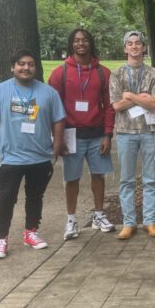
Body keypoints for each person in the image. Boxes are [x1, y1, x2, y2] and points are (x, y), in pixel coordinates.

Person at [0, 49, 65, 259]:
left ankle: (31, 232)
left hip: (40, 157)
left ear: (35, 68)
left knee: (35, 197)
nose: (26, 68)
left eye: (30, 64)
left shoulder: (48, 93)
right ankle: (1, 239)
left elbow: (59, 121)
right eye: (21, 64)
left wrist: (56, 148)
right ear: (13, 67)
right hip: (10, 158)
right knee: (6, 197)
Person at [48, 27, 115, 240]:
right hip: (71, 134)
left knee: (99, 175)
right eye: (76, 40)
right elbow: (53, 107)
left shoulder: (103, 73)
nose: (81, 44)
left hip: (97, 134)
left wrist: (108, 134)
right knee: (72, 178)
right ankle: (71, 220)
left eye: (85, 40)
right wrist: (57, 138)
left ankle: (98, 215)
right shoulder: (61, 72)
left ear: (90, 43)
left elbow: (110, 106)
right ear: (71, 44)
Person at [110, 30, 155, 239]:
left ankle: (150, 221)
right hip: (125, 132)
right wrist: (142, 97)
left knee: (150, 179)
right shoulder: (116, 74)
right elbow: (116, 105)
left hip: (149, 131)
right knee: (126, 179)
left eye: (138, 43)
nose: (134, 47)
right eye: (130, 43)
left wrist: (131, 96)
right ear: (125, 48)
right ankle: (129, 223)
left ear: (144, 47)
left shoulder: (154, 74)